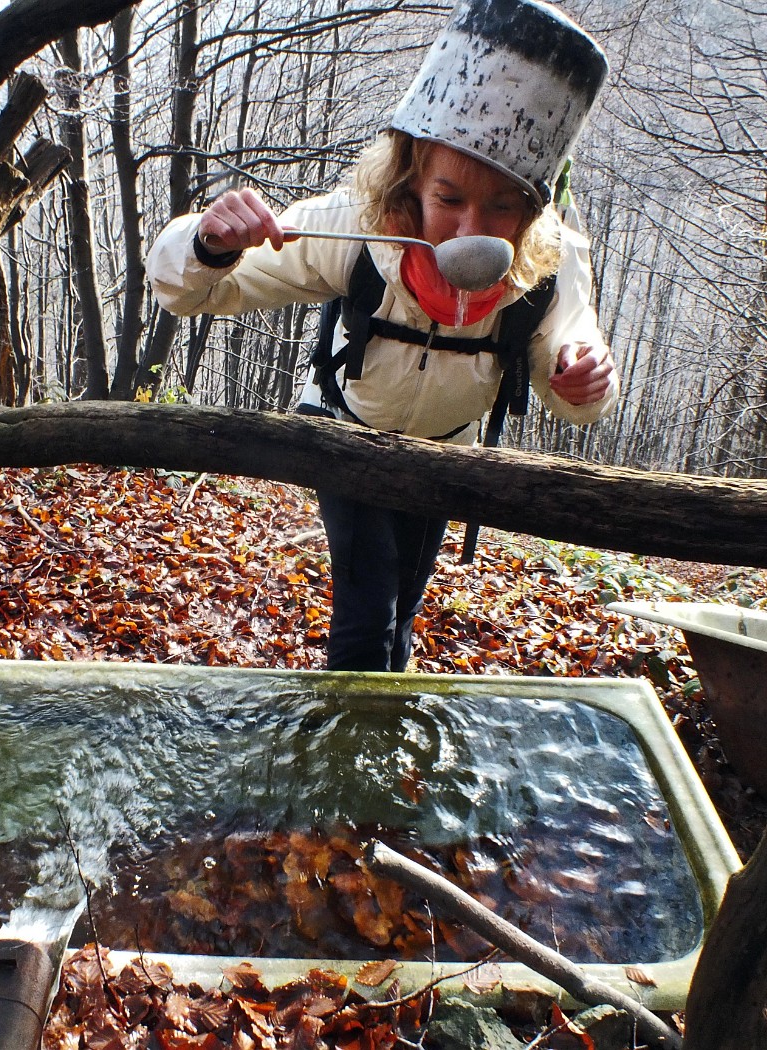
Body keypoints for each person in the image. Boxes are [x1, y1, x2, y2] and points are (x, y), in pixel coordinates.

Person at [149, 0, 618, 672]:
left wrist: (585, 378)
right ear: (412, 177)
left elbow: (571, 381)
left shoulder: (554, 262)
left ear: (533, 208)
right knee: (369, 616)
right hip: (345, 430)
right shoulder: (357, 227)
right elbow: (189, 288)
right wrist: (210, 241)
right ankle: (342, 763)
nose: (468, 229)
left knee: (401, 606)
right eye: (450, 198)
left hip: (443, 457)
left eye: (501, 206)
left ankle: (379, 750)